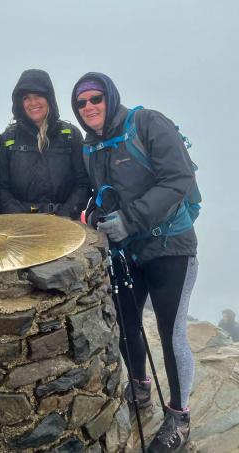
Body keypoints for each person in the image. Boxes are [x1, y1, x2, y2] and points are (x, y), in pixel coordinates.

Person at [71, 72, 200, 453]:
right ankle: (140, 389)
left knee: (171, 332)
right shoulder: (91, 147)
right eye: (81, 103)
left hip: (170, 246)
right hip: (128, 252)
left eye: (96, 98)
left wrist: (130, 220)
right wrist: (95, 216)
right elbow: (99, 195)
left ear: (110, 97)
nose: (89, 107)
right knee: (127, 325)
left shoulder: (147, 124)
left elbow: (178, 178)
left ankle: (179, 417)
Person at [0, 69, 89, 219]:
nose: (33, 102)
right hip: (21, 225)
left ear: (49, 98)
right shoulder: (8, 138)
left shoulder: (71, 135)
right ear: (20, 103)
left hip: (65, 223)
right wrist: (22, 218)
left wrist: (65, 215)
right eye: (26, 98)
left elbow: (83, 184)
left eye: (38, 95)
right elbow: (1, 188)